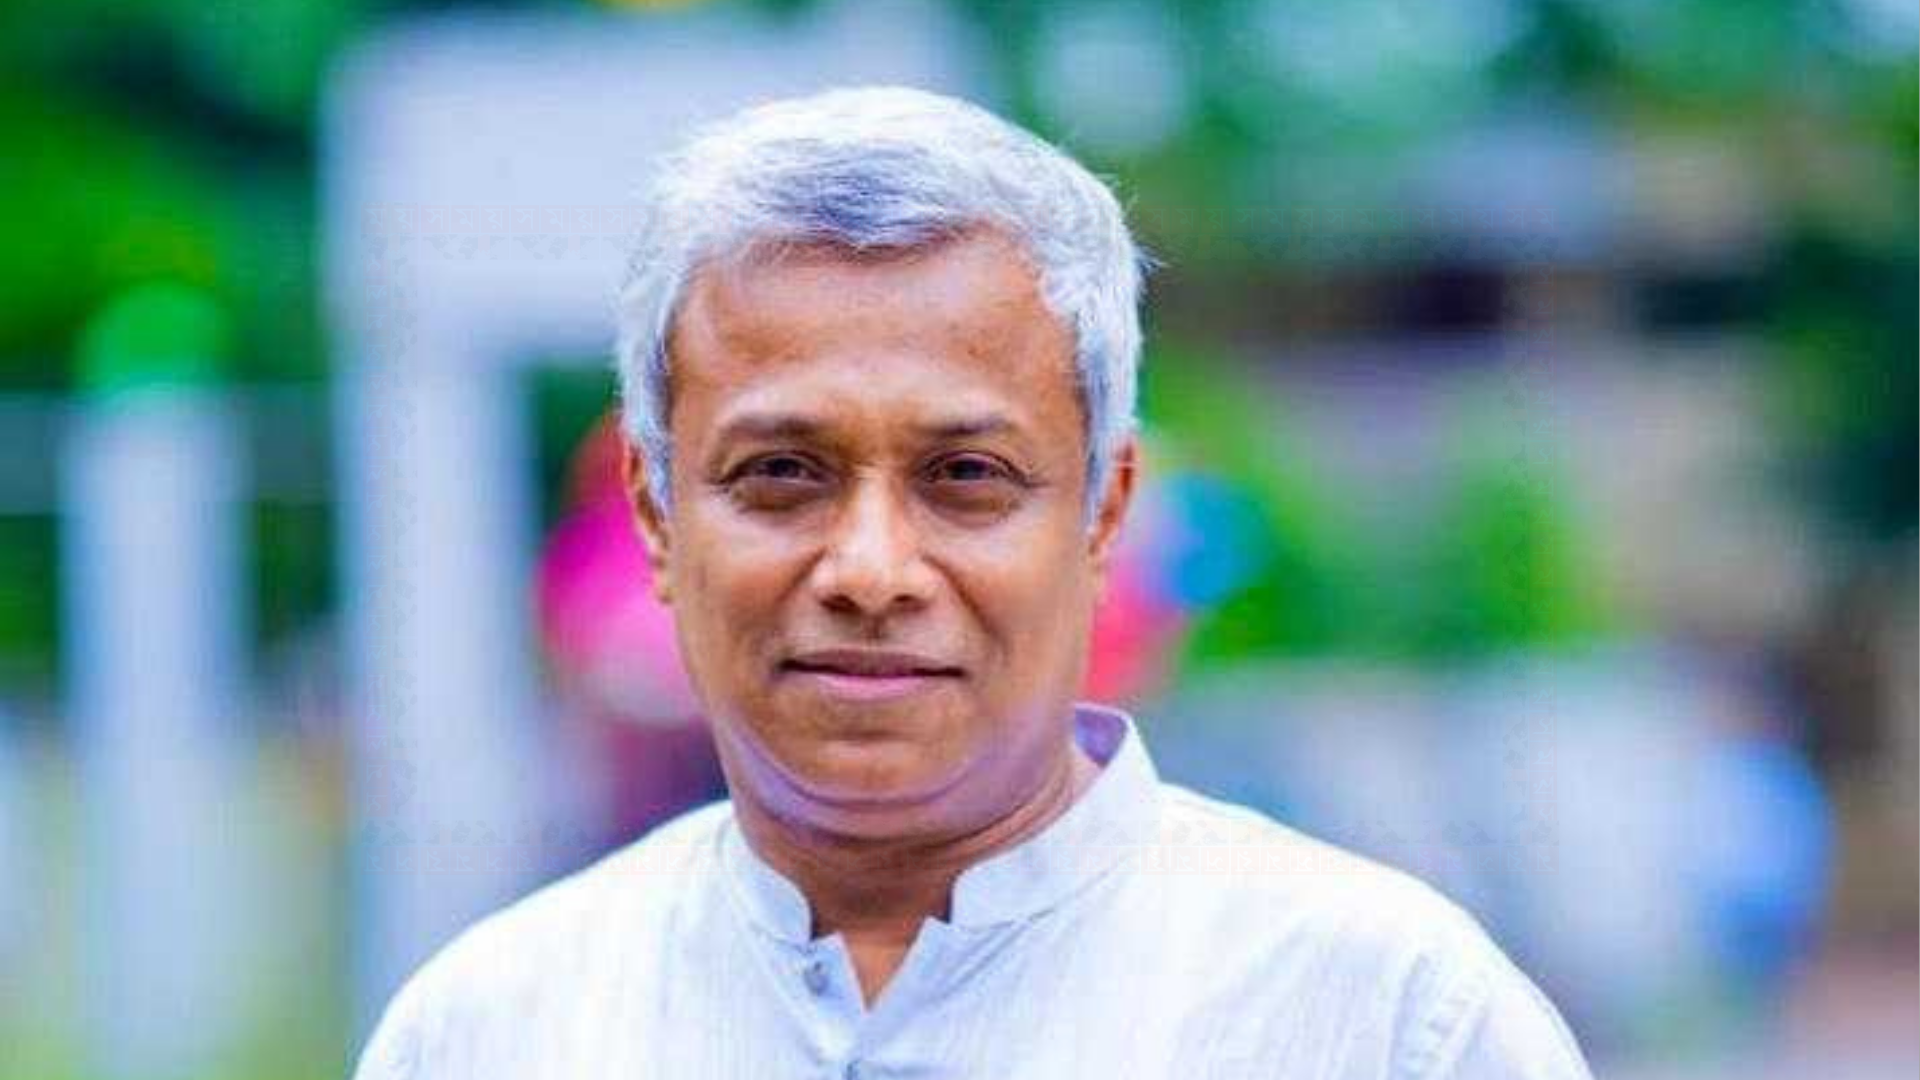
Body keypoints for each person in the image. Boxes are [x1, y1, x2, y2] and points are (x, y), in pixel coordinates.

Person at [353, 86, 1592, 1079]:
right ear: (655, 511)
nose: (871, 570)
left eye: (965, 476)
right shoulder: (491, 1033)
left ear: (1104, 510)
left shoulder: (1383, 1022)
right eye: (782, 473)